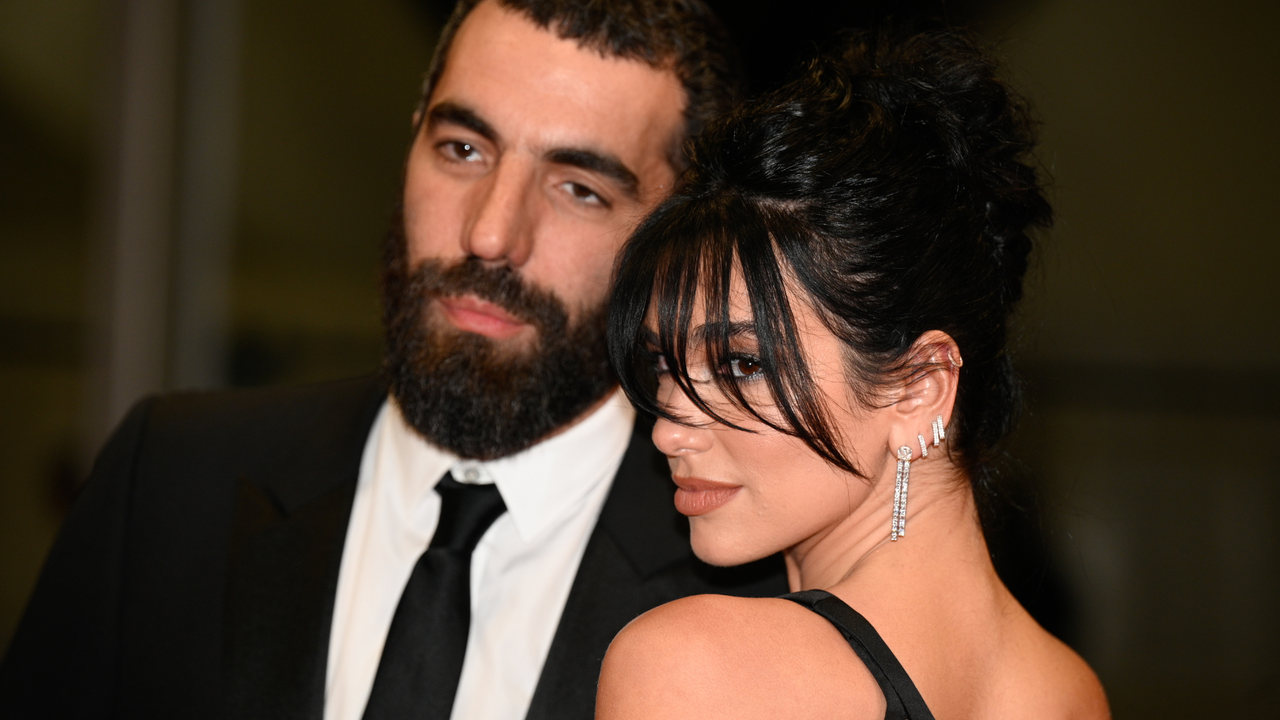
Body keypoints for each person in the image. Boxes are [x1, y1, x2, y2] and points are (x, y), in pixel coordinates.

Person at [0, 1, 785, 718]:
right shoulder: (169, 480)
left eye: (579, 189)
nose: (489, 234)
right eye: (464, 148)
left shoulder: (755, 592)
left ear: (680, 240)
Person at [597, 29, 1110, 720]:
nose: (669, 428)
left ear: (919, 388)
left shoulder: (694, 668)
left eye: (743, 364)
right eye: (663, 364)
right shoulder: (1068, 692)